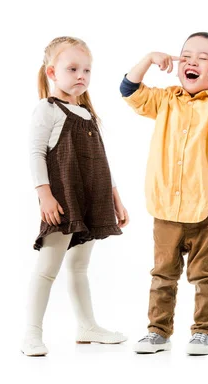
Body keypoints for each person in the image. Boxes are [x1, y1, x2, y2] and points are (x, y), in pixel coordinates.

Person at [120, 32, 208, 355]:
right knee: (163, 273)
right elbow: (129, 90)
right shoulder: (165, 99)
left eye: (204, 58)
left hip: (207, 206)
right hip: (166, 207)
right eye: (185, 55)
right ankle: (157, 331)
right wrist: (148, 58)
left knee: (204, 273)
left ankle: (204, 331)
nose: (191, 61)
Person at [21, 36, 128, 356]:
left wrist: (115, 198)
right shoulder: (47, 109)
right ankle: (31, 333)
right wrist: (45, 195)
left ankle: (87, 326)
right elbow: (36, 153)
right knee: (47, 267)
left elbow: (101, 161)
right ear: (52, 73)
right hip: (63, 199)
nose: (81, 75)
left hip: (91, 198)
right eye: (72, 69)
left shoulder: (87, 114)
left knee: (79, 266)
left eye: (87, 70)